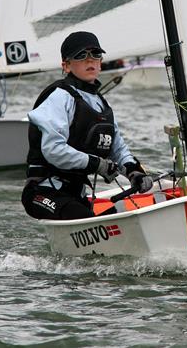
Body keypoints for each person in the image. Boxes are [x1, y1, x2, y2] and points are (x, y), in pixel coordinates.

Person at [22, 31, 153, 220]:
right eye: (81, 55)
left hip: (76, 195)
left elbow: (118, 150)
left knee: (120, 215)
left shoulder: (101, 104)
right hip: (43, 193)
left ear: (100, 62)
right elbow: (53, 150)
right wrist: (96, 163)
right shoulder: (59, 97)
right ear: (66, 66)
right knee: (84, 218)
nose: (90, 60)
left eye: (95, 54)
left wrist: (135, 173)